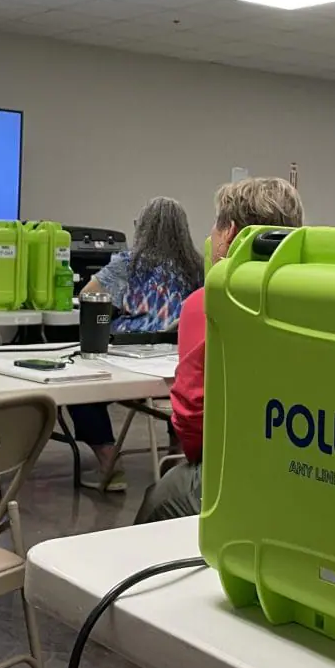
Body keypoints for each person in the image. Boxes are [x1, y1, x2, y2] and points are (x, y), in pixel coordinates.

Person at [135, 177, 303, 524]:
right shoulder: (321, 298)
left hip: (239, 475)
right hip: (307, 469)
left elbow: (195, 427)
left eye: (216, 224)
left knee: (164, 495)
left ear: (230, 233)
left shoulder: (210, 302)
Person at [69, 197, 204, 492]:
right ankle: (177, 456)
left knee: (77, 388)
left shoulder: (129, 263)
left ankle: (109, 463)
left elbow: (90, 298)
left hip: (128, 358)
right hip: (176, 362)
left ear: (141, 228)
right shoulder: (197, 268)